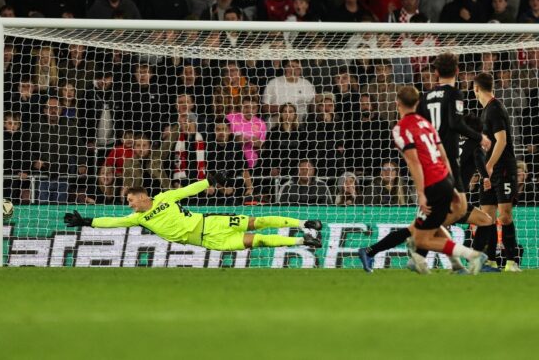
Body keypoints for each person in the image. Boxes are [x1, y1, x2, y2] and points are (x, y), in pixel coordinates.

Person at [362, 85, 487, 275]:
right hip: (445, 181)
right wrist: (453, 186)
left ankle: (472, 256)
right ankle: (454, 264)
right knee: (426, 228)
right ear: (418, 103)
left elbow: (414, 163)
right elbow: (444, 156)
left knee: (419, 235)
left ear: (397, 104)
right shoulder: (425, 123)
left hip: (431, 185)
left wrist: (421, 193)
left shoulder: (401, 128)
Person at [64, 176, 322, 251]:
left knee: (260, 221)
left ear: (142, 196)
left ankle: (304, 223)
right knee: (259, 241)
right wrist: (87, 220)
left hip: (211, 222)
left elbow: (188, 189)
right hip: (209, 241)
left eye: (131, 200)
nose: (129, 205)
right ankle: (304, 240)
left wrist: (210, 181)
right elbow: (112, 221)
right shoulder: (139, 218)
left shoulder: (165, 197)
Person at [473, 72, 522, 272]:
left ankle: (512, 261)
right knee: (487, 215)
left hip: (502, 169)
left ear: (476, 89)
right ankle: (491, 260)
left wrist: (490, 165)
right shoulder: (485, 111)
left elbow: (501, 141)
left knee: (505, 215)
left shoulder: (495, 109)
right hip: (490, 170)